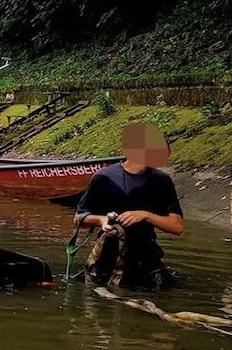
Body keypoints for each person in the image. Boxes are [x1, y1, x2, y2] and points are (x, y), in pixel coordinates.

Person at [73, 122, 184, 289]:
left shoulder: (161, 181)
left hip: (146, 256)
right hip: (108, 255)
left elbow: (177, 227)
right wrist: (101, 221)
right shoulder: (104, 178)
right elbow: (78, 219)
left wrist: (145, 215)